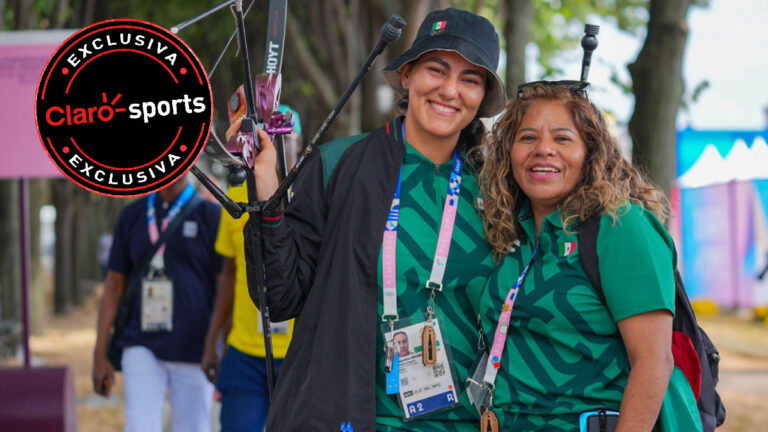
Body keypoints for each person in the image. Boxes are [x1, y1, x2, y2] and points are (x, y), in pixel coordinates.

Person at [227, 7, 506, 431]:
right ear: (408, 74)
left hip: (464, 422)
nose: (450, 90)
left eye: (470, 79)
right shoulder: (337, 164)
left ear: (482, 97)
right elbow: (279, 297)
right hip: (348, 417)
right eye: (437, 69)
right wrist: (267, 188)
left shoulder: (498, 191)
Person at [476, 83, 703, 431]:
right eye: (528, 138)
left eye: (563, 138)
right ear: (508, 152)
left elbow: (653, 362)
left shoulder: (621, 226)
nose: (544, 150)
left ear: (591, 152)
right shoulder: (514, 235)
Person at [91, 176, 222, 432]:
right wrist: (99, 352)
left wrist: (217, 343)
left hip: (196, 346)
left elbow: (224, 287)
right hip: (141, 341)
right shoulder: (133, 215)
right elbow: (114, 284)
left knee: (194, 426)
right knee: (139, 425)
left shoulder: (211, 215)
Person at [201, 106, 301, 432]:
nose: (276, 145)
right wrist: (212, 341)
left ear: (299, 143)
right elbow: (228, 276)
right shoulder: (234, 197)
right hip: (244, 353)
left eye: (285, 137)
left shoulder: (312, 198)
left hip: (299, 355)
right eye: (267, 138)